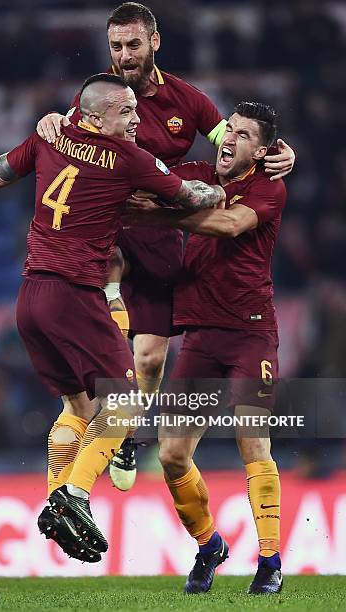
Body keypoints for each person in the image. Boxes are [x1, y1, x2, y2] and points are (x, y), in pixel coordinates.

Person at [36, 2, 296, 492]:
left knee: (152, 356)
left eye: (133, 44)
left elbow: (236, 151)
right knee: (93, 342)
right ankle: (83, 433)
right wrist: (50, 121)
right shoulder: (97, 93)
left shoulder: (190, 102)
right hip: (104, 224)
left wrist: (282, 154)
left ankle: (127, 433)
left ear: (155, 42)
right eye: (116, 46)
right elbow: (65, 139)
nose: (124, 55)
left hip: (157, 231)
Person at [0, 73, 226, 563]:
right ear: (96, 116)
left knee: (78, 407)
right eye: (126, 112)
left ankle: (58, 499)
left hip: (30, 298)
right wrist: (217, 192)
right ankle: (74, 496)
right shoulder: (129, 159)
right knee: (125, 400)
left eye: (137, 110)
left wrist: (48, 128)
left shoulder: (53, 136)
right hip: (74, 295)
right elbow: (190, 197)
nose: (138, 120)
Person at [127, 102, 285, 595]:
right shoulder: (193, 173)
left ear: (260, 152)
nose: (228, 140)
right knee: (172, 455)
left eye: (241, 135)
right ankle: (209, 543)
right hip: (199, 336)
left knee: (252, 441)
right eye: (227, 131)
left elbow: (230, 224)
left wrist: (171, 216)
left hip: (250, 334)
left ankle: (270, 561)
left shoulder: (268, 186)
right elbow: (144, 185)